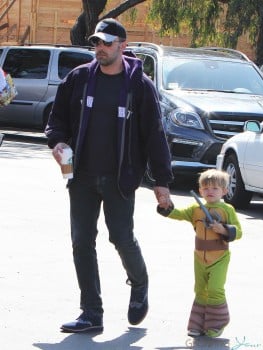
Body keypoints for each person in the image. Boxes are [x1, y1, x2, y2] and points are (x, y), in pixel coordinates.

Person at [45, 18, 173, 333]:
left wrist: (162, 183)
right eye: (96, 43)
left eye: (106, 42)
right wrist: (58, 141)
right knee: (81, 241)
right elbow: (57, 117)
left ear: (122, 46)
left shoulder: (138, 86)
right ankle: (91, 312)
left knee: (121, 237)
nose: (100, 48)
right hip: (81, 176)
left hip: (120, 178)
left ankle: (139, 283)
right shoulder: (80, 79)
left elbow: (155, 134)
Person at [157, 169, 242, 338]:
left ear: (224, 191)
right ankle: (199, 323)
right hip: (199, 257)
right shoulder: (195, 209)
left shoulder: (227, 209)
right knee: (200, 289)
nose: (210, 191)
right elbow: (178, 214)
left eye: (215, 188)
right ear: (200, 190)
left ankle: (218, 321)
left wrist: (223, 229)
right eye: (206, 188)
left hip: (219, 257)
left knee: (215, 289)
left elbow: (238, 232)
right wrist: (166, 207)